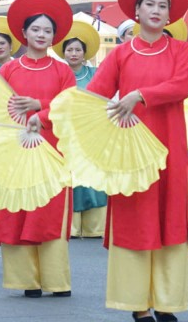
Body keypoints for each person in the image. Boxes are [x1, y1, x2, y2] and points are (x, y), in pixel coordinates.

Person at [84, 0, 188, 322]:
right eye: (150, 4)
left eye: (163, 6)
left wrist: (138, 96)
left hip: (170, 147)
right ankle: (137, 304)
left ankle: (167, 302)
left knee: (168, 219)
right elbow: (93, 96)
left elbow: (180, 88)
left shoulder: (180, 50)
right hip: (130, 149)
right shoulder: (119, 54)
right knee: (136, 219)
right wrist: (46, 111)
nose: (157, 11)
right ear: (136, 11)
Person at [0, 0, 76, 298]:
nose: (41, 35)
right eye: (35, 29)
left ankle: (56, 280)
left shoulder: (63, 70)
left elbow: (70, 105)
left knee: (49, 212)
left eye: (47, 31)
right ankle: (27, 281)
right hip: (15, 149)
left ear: (54, 36)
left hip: (51, 149)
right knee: (18, 211)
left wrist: (41, 108)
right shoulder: (8, 69)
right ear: (23, 33)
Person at [54, 21, 108, 239]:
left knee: (94, 175)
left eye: (78, 50)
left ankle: (95, 227)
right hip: (66, 131)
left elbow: (104, 97)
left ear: (85, 53)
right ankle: (72, 226)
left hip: (92, 131)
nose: (73, 53)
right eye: (70, 49)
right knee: (71, 176)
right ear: (63, 52)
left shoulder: (96, 73)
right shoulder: (58, 73)